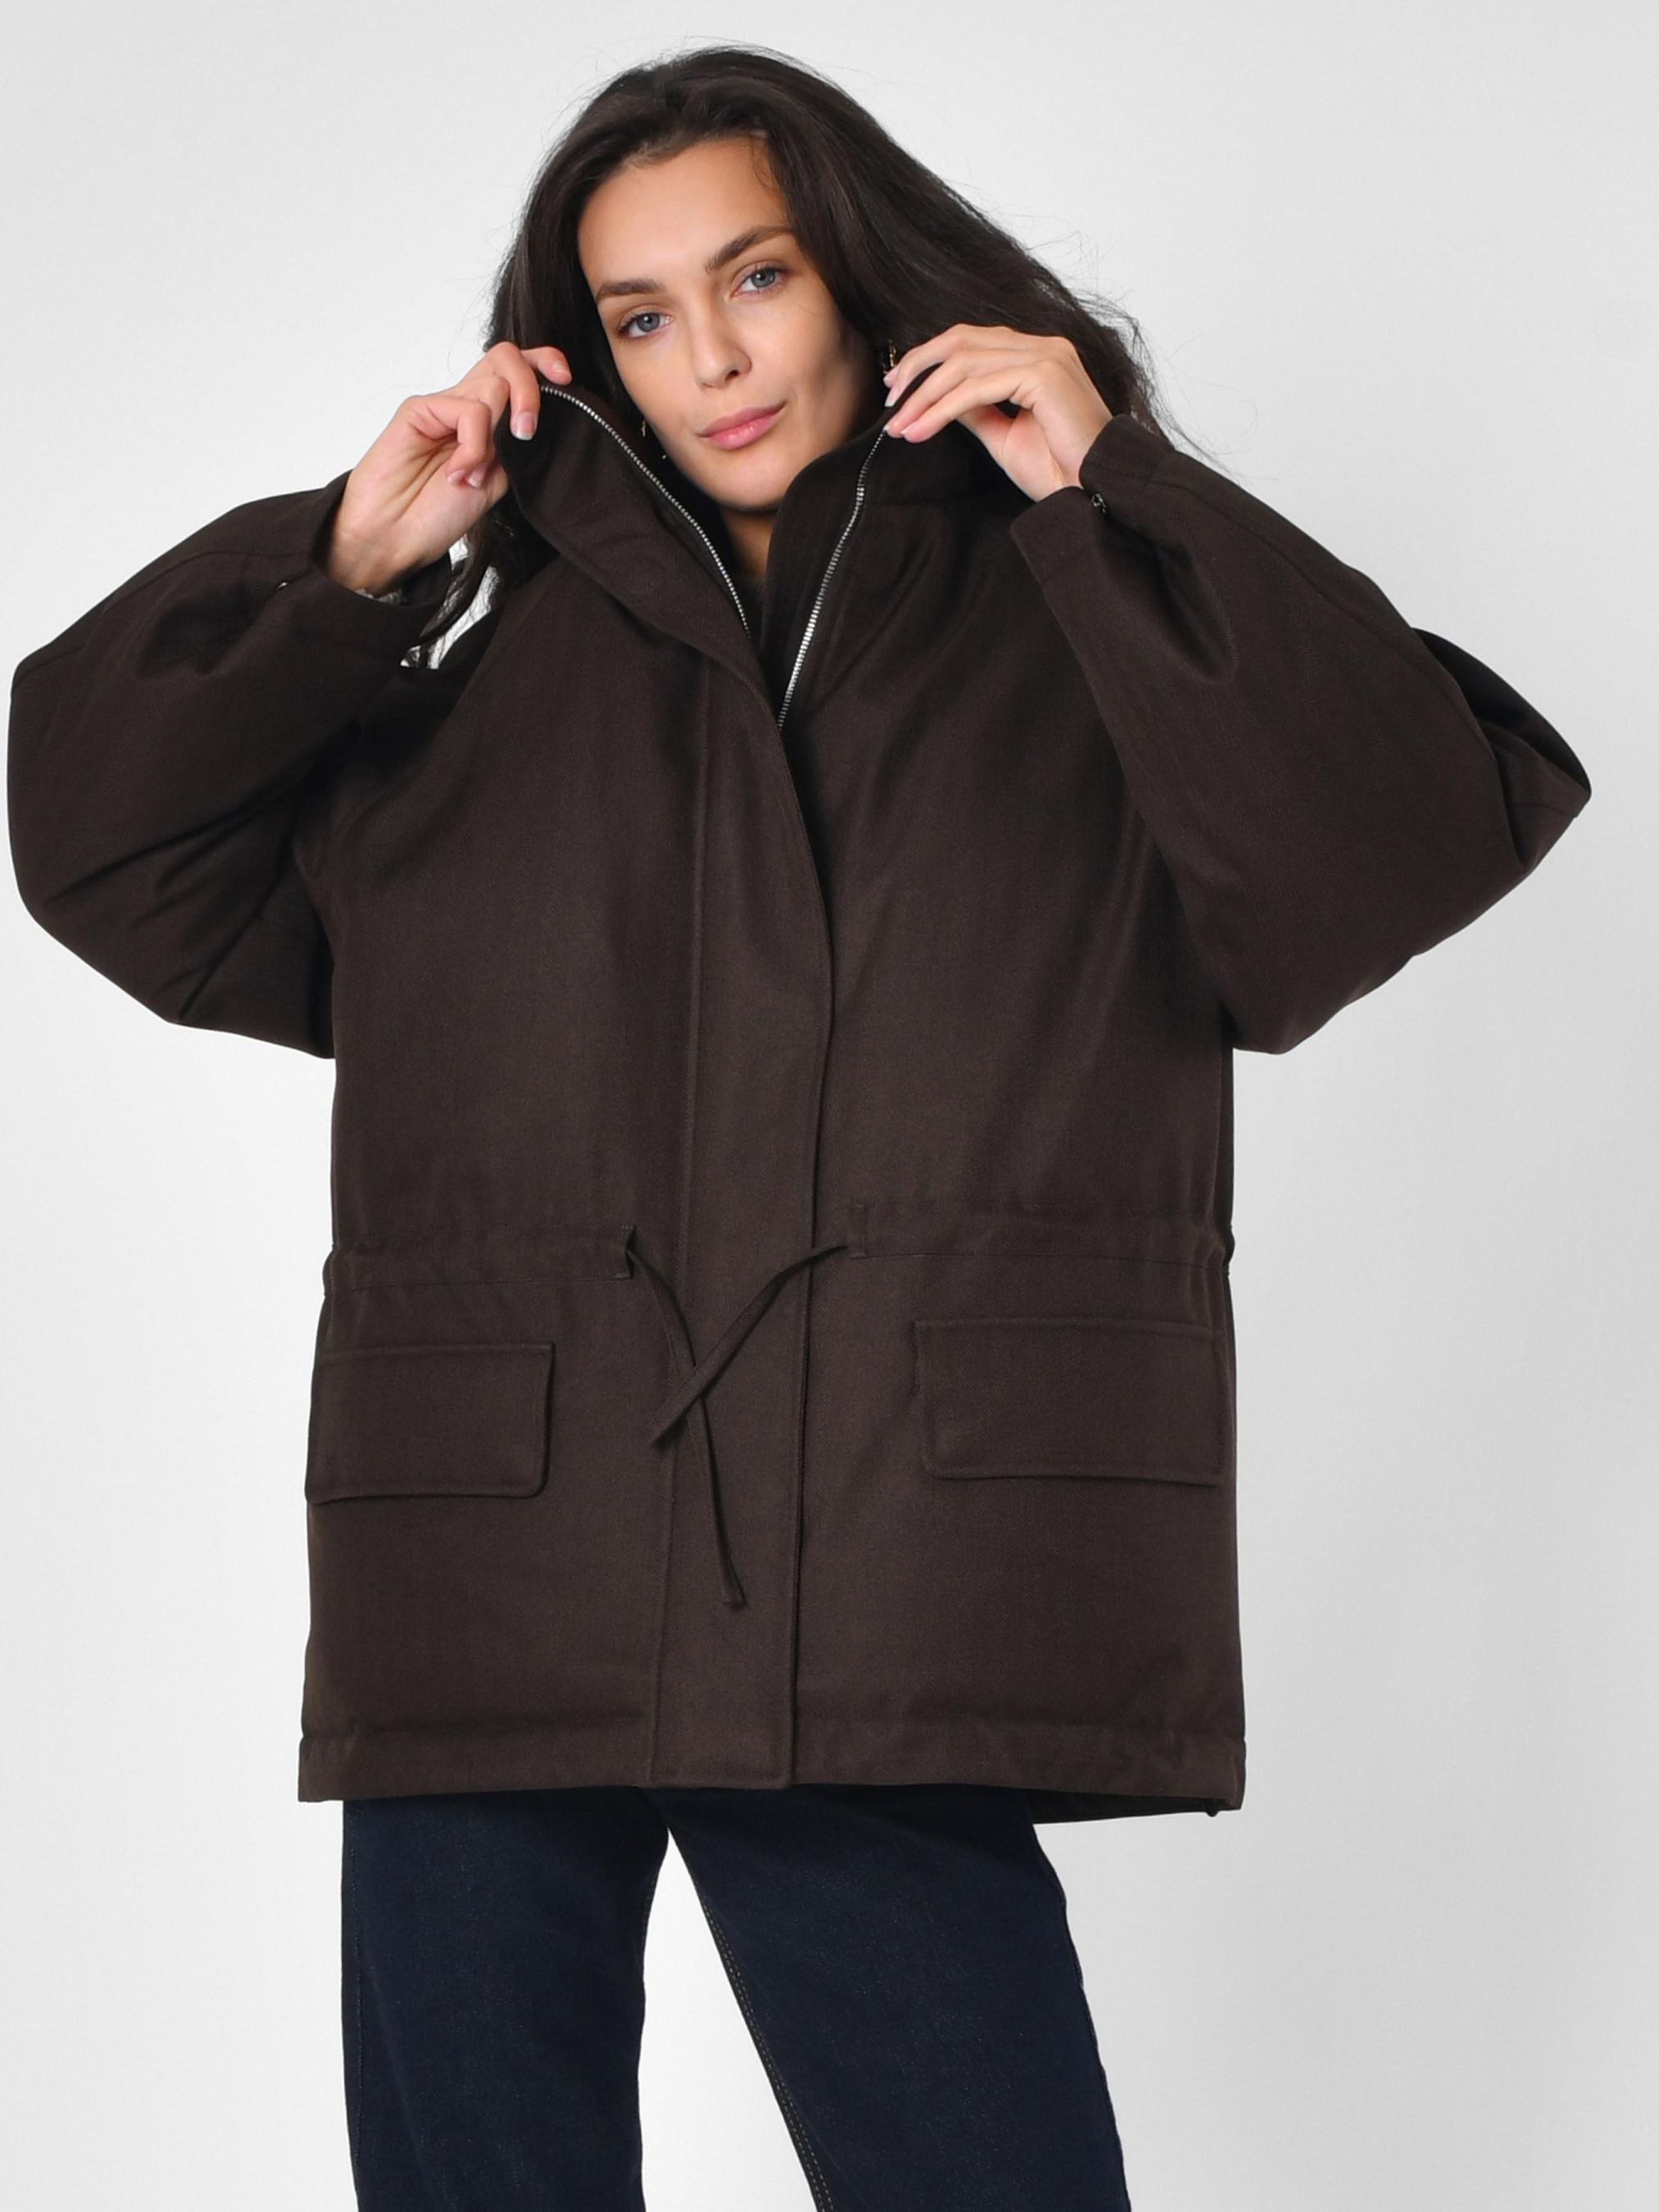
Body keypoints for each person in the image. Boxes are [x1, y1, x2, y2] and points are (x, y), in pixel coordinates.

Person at [5, 42, 1591, 2212]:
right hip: (496, 1565)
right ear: (583, 355)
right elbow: (99, 840)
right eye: (642, 313)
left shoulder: (1091, 648)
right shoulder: (460, 694)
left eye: (754, 276)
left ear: (858, 273)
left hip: (890, 1573)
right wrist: (341, 572)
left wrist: (1119, 494)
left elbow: (1392, 842)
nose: (714, 357)